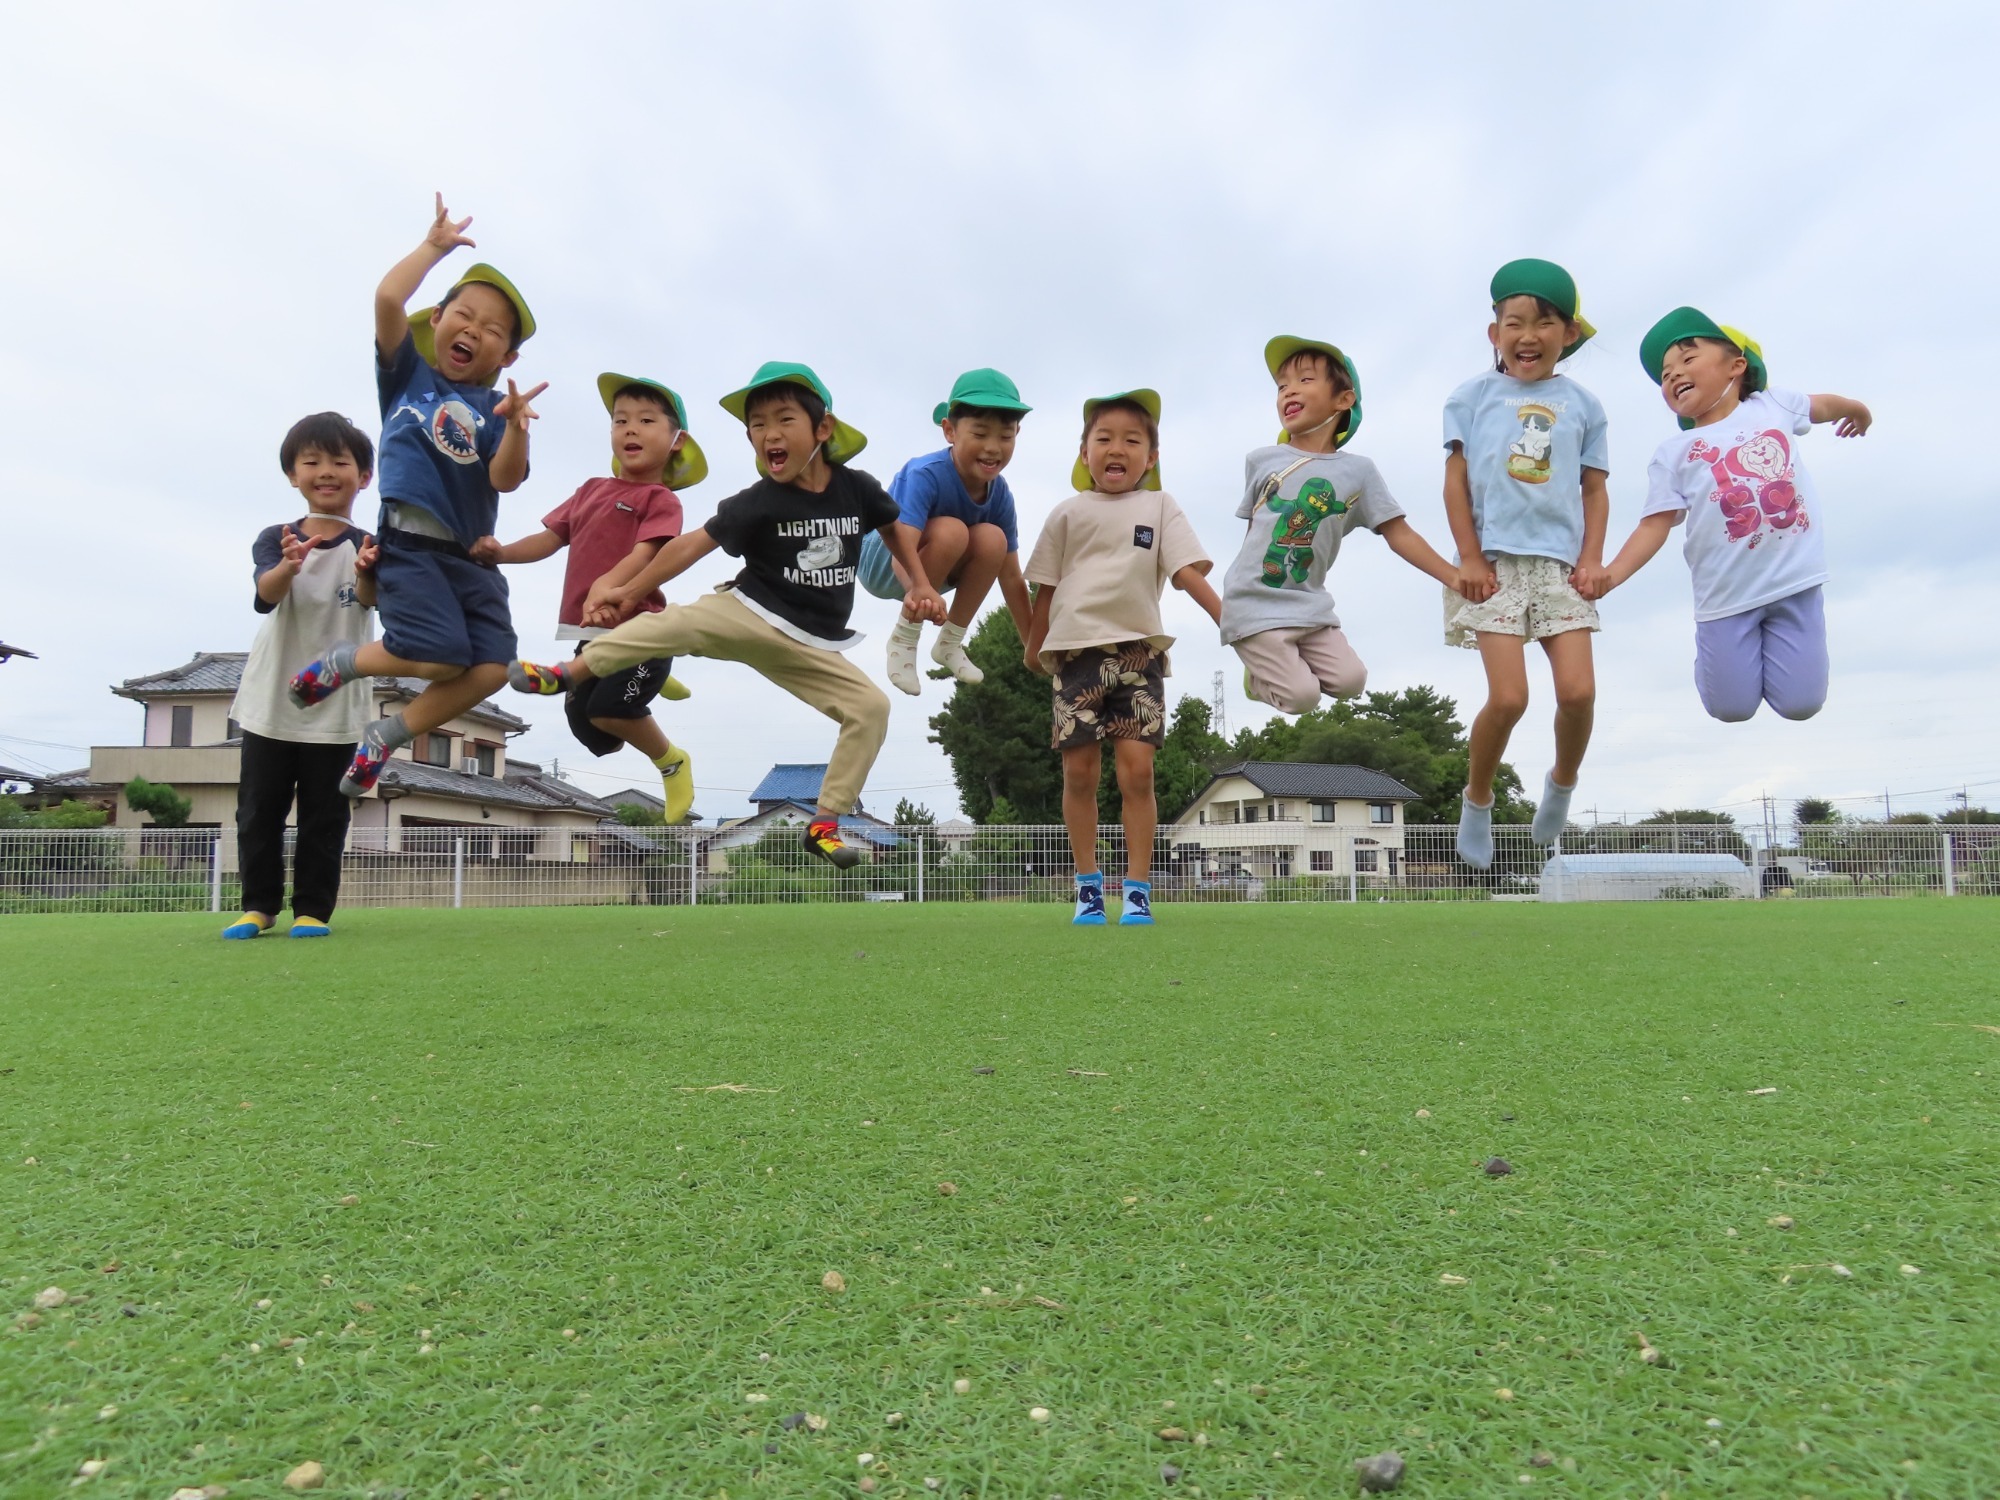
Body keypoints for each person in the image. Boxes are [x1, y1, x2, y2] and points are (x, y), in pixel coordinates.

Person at [508, 363, 944, 868]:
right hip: (747, 612)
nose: (769, 435)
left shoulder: (858, 489)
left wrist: (920, 583)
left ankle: (824, 824)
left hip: (809, 641)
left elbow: (893, 528)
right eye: (757, 426)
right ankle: (566, 674)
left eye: (784, 420)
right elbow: (691, 545)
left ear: (822, 429)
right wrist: (630, 592)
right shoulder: (758, 501)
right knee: (663, 625)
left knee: (870, 708)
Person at [287, 194, 545, 797]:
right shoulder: (409, 378)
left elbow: (505, 479)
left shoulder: (496, 410)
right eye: (466, 315)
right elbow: (386, 300)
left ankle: (386, 734)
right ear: (437, 321)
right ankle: (342, 663)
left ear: (504, 356)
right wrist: (433, 248)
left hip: (471, 560)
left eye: (493, 331)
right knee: (436, 656)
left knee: (491, 667)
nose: (474, 331)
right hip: (411, 546)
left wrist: (517, 427)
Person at [1598, 308, 1870, 723]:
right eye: (1665, 374)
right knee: (1731, 709)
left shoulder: (1773, 405)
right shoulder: (1675, 452)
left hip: (1794, 583)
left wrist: (1856, 409)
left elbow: (1822, 405)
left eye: (1687, 360)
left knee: (1802, 705)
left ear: (1736, 367)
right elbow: (1654, 525)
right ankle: (1716, 657)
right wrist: (1610, 575)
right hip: (1726, 596)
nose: (1672, 375)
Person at [1023, 390, 1219, 927]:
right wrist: (1031, 644)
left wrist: (1227, 617)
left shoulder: (1160, 505)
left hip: (1139, 650)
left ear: (1150, 457)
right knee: (1080, 773)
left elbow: (1185, 573)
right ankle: (1088, 887)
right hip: (1076, 653)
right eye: (1103, 438)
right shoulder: (1066, 513)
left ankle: (1137, 888)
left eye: (1133, 440)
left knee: (1138, 773)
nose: (1117, 448)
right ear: (1083, 452)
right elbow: (1044, 587)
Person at [473, 374, 704, 820]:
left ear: (677, 440)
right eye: (620, 421)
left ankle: (672, 759)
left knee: (611, 708)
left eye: (646, 420)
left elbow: (648, 552)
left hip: (638, 628)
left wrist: (610, 588)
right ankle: (655, 680)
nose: (630, 429)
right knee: (594, 733)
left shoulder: (661, 499)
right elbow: (549, 538)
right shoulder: (591, 490)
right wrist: (502, 553)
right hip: (589, 632)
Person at [1441, 259, 1610, 869]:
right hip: (1493, 566)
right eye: (1515, 322)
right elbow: (1454, 482)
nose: (1528, 335)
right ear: (1495, 334)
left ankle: (1561, 784)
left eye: (1545, 323)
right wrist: (1466, 555)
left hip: (1561, 566)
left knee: (1579, 691)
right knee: (1509, 698)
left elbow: (1594, 490)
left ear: (1568, 334)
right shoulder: (1471, 397)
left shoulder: (1584, 406)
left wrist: (1593, 558)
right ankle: (1478, 798)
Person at [1224, 336, 1458, 712]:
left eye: (1304, 380)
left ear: (1343, 400)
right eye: (1282, 385)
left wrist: (1453, 576)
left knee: (1352, 682)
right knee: (1302, 697)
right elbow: (1254, 533)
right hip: (1253, 604)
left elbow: (1399, 534)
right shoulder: (1262, 460)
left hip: (1309, 604)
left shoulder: (1358, 473)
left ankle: (1274, 665)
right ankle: (1260, 674)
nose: (1288, 392)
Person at [224, 413, 380, 940]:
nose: (326, 471)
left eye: (341, 461)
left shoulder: (371, 545)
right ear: (293, 474)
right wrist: (288, 566)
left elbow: (371, 603)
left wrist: (367, 573)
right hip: (270, 700)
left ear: (365, 476)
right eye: (311, 461)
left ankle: (312, 910)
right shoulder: (277, 537)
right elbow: (264, 597)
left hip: (337, 706)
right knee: (258, 814)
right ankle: (258, 907)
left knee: (325, 816)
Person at [858, 369, 1034, 694]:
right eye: (980, 434)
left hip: (932, 573)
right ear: (950, 431)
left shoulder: (1001, 494)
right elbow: (899, 548)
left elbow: (1010, 577)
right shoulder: (925, 474)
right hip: (884, 563)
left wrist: (1033, 645)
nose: (993, 447)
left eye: (1005, 437)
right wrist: (920, 588)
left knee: (993, 539)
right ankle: (903, 641)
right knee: (953, 530)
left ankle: (950, 642)